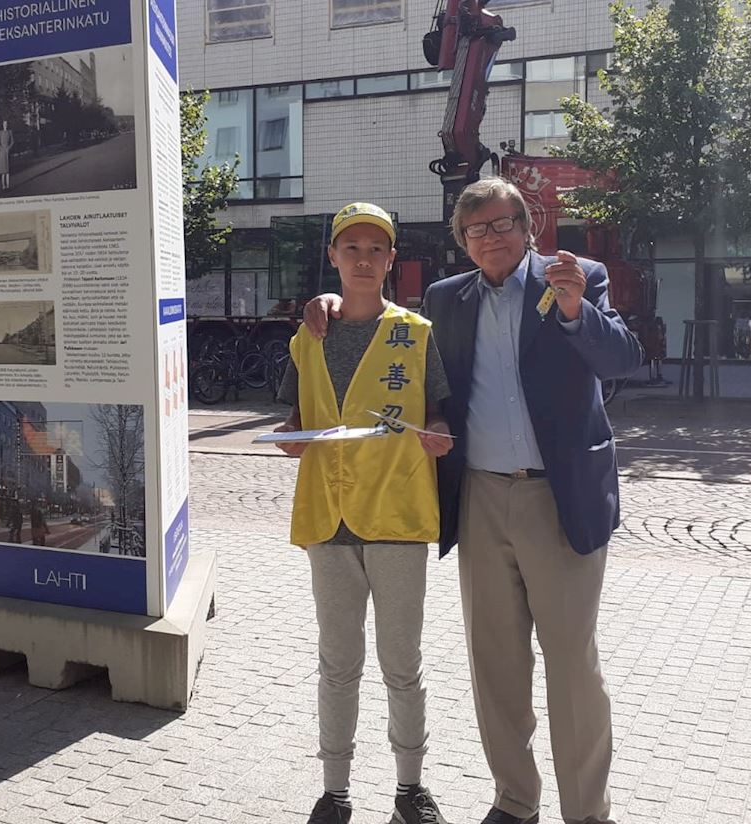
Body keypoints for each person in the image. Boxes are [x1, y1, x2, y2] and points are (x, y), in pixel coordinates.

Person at [305, 179, 643, 824]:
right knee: (495, 664)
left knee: (571, 663)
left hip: (557, 497)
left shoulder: (577, 278)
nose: (492, 237)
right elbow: (389, 335)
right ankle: (515, 802)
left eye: (503, 223)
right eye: (477, 229)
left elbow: (623, 359)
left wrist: (576, 310)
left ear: (527, 227)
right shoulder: (445, 298)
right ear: (463, 241)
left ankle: (586, 812)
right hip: (481, 497)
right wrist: (330, 300)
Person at [275, 202, 454, 824]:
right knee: (337, 664)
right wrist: (290, 437)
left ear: (391, 259)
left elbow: (438, 410)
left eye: (376, 249)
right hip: (330, 519)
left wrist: (438, 433)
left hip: (397, 515)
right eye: (351, 248)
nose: (363, 259)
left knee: (402, 665)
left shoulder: (416, 333)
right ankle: (335, 791)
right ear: (332, 256)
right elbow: (296, 418)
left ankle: (410, 789)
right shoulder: (309, 335)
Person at [0, 120, 15, 191]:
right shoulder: (0, 132)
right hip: (2, 153)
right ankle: (3, 186)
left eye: (6, 124)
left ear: (7, 125)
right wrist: (1, 148)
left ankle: (8, 185)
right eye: (4, 124)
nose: (5, 125)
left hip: (7, 152)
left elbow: (12, 142)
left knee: (8, 170)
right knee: (2, 170)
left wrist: (9, 148)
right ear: (3, 125)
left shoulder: (10, 132)